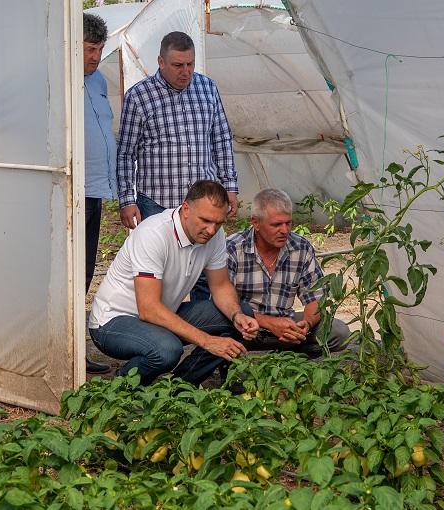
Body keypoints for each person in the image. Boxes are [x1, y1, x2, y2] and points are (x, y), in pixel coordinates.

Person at [87, 180, 259, 385]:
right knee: (167, 350)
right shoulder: (153, 233)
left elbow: (220, 285)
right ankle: (119, 388)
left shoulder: (214, 235)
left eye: (218, 223)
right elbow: (148, 309)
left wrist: (236, 315)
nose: (211, 230)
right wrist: (208, 341)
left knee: (242, 314)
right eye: (205, 220)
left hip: (161, 313)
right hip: (112, 321)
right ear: (185, 209)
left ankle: (179, 387)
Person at [115, 31, 239, 300]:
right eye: (178, 65)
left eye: (190, 64)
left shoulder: (207, 88)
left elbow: (221, 139)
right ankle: (157, 325)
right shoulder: (139, 96)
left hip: (202, 204)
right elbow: (125, 153)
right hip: (157, 202)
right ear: (161, 62)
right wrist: (126, 200)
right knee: (156, 274)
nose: (186, 72)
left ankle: (205, 327)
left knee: (206, 276)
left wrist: (230, 186)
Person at [226, 189, 351, 358]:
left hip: (285, 326)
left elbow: (316, 299)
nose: (284, 230)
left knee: (338, 332)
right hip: (244, 328)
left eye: (288, 223)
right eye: (276, 224)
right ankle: (231, 365)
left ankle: (286, 359)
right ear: (256, 223)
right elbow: (224, 304)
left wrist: (306, 324)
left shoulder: (300, 247)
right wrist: (269, 323)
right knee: (217, 328)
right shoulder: (233, 248)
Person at [83, 13, 117, 374]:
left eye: (99, 49)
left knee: (85, 270)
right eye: (90, 49)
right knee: (66, 273)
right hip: (68, 191)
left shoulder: (97, 80)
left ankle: (75, 350)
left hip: (93, 191)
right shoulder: (56, 80)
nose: (96, 57)